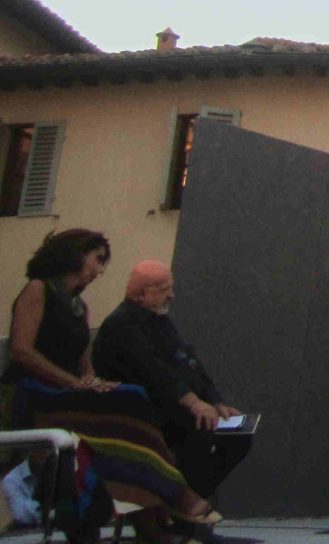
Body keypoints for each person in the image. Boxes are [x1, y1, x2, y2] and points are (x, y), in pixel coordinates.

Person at [2, 230, 222, 541]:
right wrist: (75, 384)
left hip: (69, 394)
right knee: (131, 399)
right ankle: (173, 496)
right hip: (38, 394)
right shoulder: (38, 291)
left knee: (127, 408)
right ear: (76, 256)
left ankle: (156, 515)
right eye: (97, 260)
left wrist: (93, 383)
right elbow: (22, 351)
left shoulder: (79, 306)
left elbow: (84, 362)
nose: (100, 270)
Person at [90, 261, 251, 506]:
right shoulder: (121, 325)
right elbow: (153, 371)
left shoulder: (160, 322)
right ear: (144, 292)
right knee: (198, 432)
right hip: (144, 414)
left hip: (171, 408)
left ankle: (184, 499)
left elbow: (187, 362)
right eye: (165, 289)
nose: (172, 295)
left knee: (239, 435)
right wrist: (194, 403)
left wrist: (215, 400)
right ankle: (185, 507)